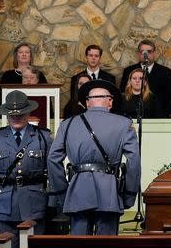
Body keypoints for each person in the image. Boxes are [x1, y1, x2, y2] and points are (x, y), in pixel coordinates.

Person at [47, 80, 141, 235]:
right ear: (110, 102)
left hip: (77, 191)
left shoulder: (67, 124)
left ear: (87, 103)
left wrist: (63, 193)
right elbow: (134, 162)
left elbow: (52, 160)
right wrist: (129, 195)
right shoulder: (124, 124)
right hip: (109, 192)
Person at [0, 90, 52, 248]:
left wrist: (53, 201)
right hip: (6, 205)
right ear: (6, 114)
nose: (16, 117)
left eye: (21, 113)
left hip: (36, 205)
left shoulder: (43, 137)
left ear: (28, 112)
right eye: (12, 114)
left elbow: (54, 172)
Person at [119, 39, 171, 115]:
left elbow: (169, 96)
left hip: (158, 115)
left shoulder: (165, 72)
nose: (146, 54)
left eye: (149, 51)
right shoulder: (128, 71)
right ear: (138, 54)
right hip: (133, 113)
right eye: (143, 52)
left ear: (154, 53)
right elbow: (124, 93)